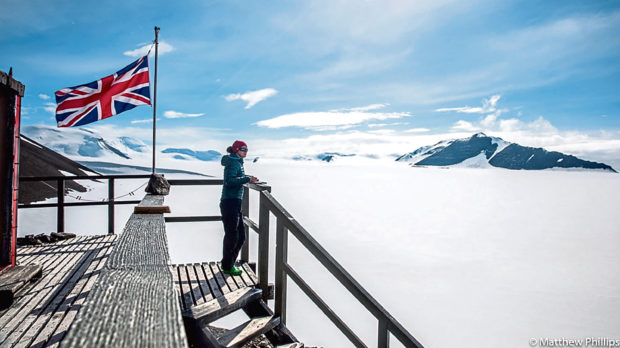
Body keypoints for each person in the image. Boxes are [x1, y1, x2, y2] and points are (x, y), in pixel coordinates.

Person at [220, 140, 259, 275]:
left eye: (246, 149)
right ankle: (227, 266)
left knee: (240, 236)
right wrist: (247, 179)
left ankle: (227, 264)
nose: (245, 152)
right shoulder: (233, 162)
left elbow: (236, 178)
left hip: (234, 202)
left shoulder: (236, 162)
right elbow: (229, 181)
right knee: (233, 236)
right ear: (236, 150)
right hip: (230, 202)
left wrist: (247, 177)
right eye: (243, 149)